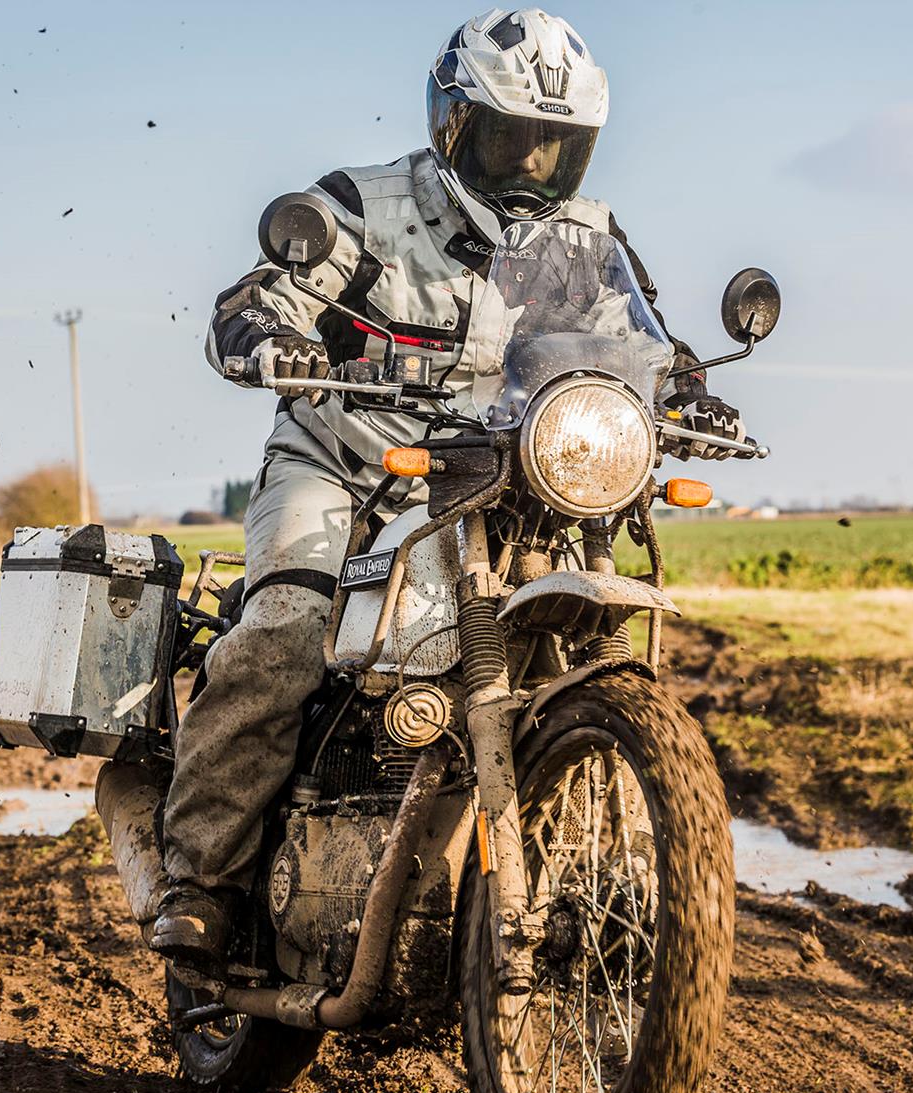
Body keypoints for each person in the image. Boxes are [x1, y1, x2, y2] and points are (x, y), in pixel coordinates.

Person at [150, 6, 747, 967]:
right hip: (346, 467)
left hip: (504, 481)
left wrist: (691, 394)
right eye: (513, 142)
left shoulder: (587, 240)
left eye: (557, 149)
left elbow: (646, 344)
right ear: (454, 124)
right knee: (286, 630)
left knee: (564, 646)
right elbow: (255, 297)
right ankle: (202, 880)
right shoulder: (363, 207)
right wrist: (270, 336)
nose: (533, 170)